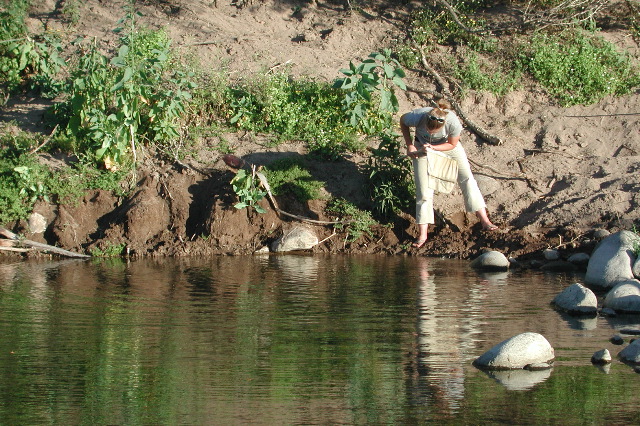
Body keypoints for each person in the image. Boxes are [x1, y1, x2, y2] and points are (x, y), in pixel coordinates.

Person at [400, 99, 497, 248]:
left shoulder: (453, 122)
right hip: (421, 146)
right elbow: (403, 121)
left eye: (435, 131)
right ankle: (422, 235)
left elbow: (452, 144)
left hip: (448, 147)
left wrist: (433, 147)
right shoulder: (418, 116)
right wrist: (410, 145)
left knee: (467, 179)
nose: (431, 132)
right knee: (423, 191)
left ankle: (485, 221)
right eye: (428, 129)